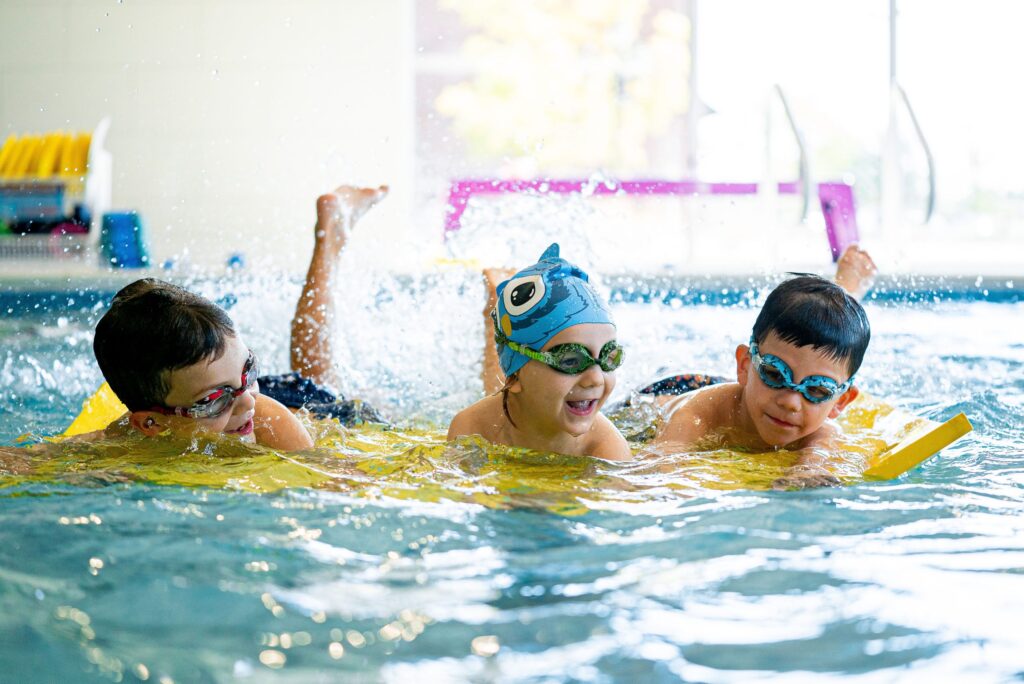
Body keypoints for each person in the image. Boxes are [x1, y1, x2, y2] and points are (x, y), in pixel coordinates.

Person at [647, 254, 874, 487]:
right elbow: (658, 474)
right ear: (744, 366)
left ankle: (845, 289)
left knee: (824, 339)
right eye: (776, 374)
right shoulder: (695, 416)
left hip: (753, 389)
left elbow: (815, 470)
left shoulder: (821, 434)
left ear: (840, 401)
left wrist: (806, 473)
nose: (791, 403)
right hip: (678, 389)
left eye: (817, 389)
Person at [447, 244, 632, 461]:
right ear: (514, 375)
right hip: (514, 393)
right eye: (571, 360)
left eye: (609, 358)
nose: (596, 378)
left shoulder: (607, 449)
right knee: (499, 391)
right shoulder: (474, 426)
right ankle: (494, 307)